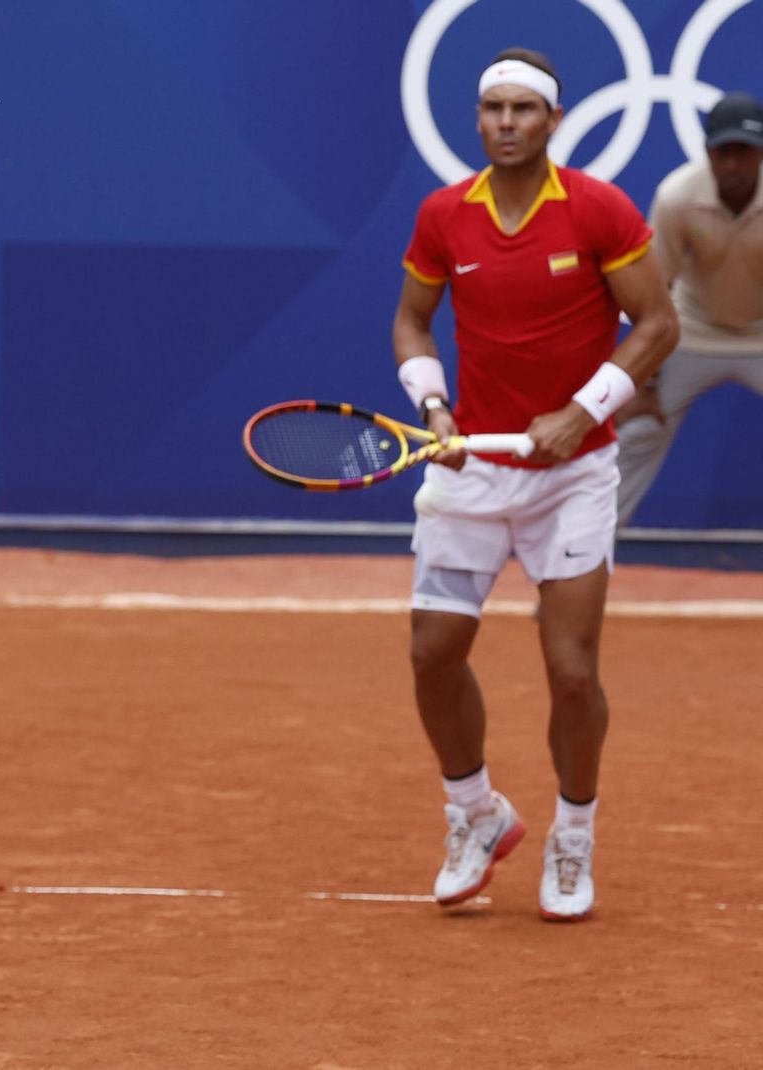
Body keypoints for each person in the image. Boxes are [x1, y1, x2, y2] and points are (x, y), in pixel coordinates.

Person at [391, 49, 678, 921]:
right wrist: (435, 406)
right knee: (433, 654)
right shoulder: (444, 215)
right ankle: (477, 813)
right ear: (476, 120)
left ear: (553, 120)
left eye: (523, 109)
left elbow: (658, 324)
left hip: (574, 477)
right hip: (474, 466)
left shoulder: (597, 208)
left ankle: (574, 832)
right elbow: (412, 320)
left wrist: (581, 411)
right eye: (492, 109)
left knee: (569, 672)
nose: (506, 123)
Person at [615, 90, 763, 526]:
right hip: (691, 332)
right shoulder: (677, 197)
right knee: (638, 432)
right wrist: (643, 383)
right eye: (724, 152)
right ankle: (576, 575)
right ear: (708, 152)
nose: (733, 164)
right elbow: (653, 288)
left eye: (745, 151)